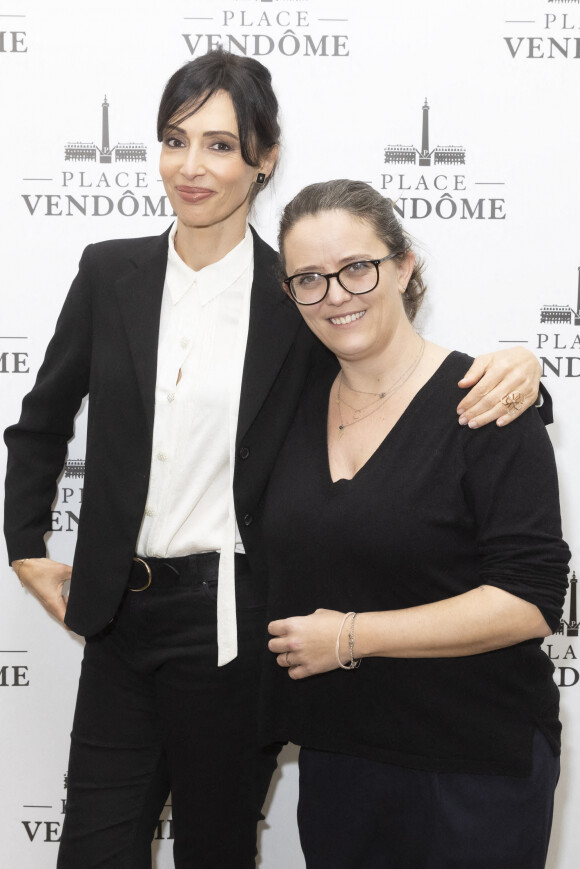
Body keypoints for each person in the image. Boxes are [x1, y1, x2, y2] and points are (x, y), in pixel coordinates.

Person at [4, 50, 547, 868]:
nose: (192, 166)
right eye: (175, 139)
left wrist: (529, 379)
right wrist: (26, 549)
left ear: (264, 157)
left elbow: (393, 375)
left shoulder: (295, 293)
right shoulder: (108, 271)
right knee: (91, 851)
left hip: (238, 621)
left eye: (221, 145)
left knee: (216, 851)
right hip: (119, 615)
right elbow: (40, 422)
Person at [264, 179, 570, 869]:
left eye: (356, 268)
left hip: (473, 762)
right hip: (341, 761)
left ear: (404, 266)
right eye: (309, 279)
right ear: (289, 295)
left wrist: (348, 635)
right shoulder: (284, 411)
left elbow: (528, 602)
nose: (336, 294)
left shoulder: (487, 404)